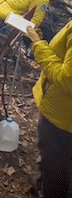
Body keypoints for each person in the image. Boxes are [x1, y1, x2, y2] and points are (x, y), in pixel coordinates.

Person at [26, 20, 72, 198]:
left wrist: (38, 45)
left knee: (55, 164)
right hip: (62, 112)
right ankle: (41, 186)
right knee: (54, 158)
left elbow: (67, 79)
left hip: (62, 115)